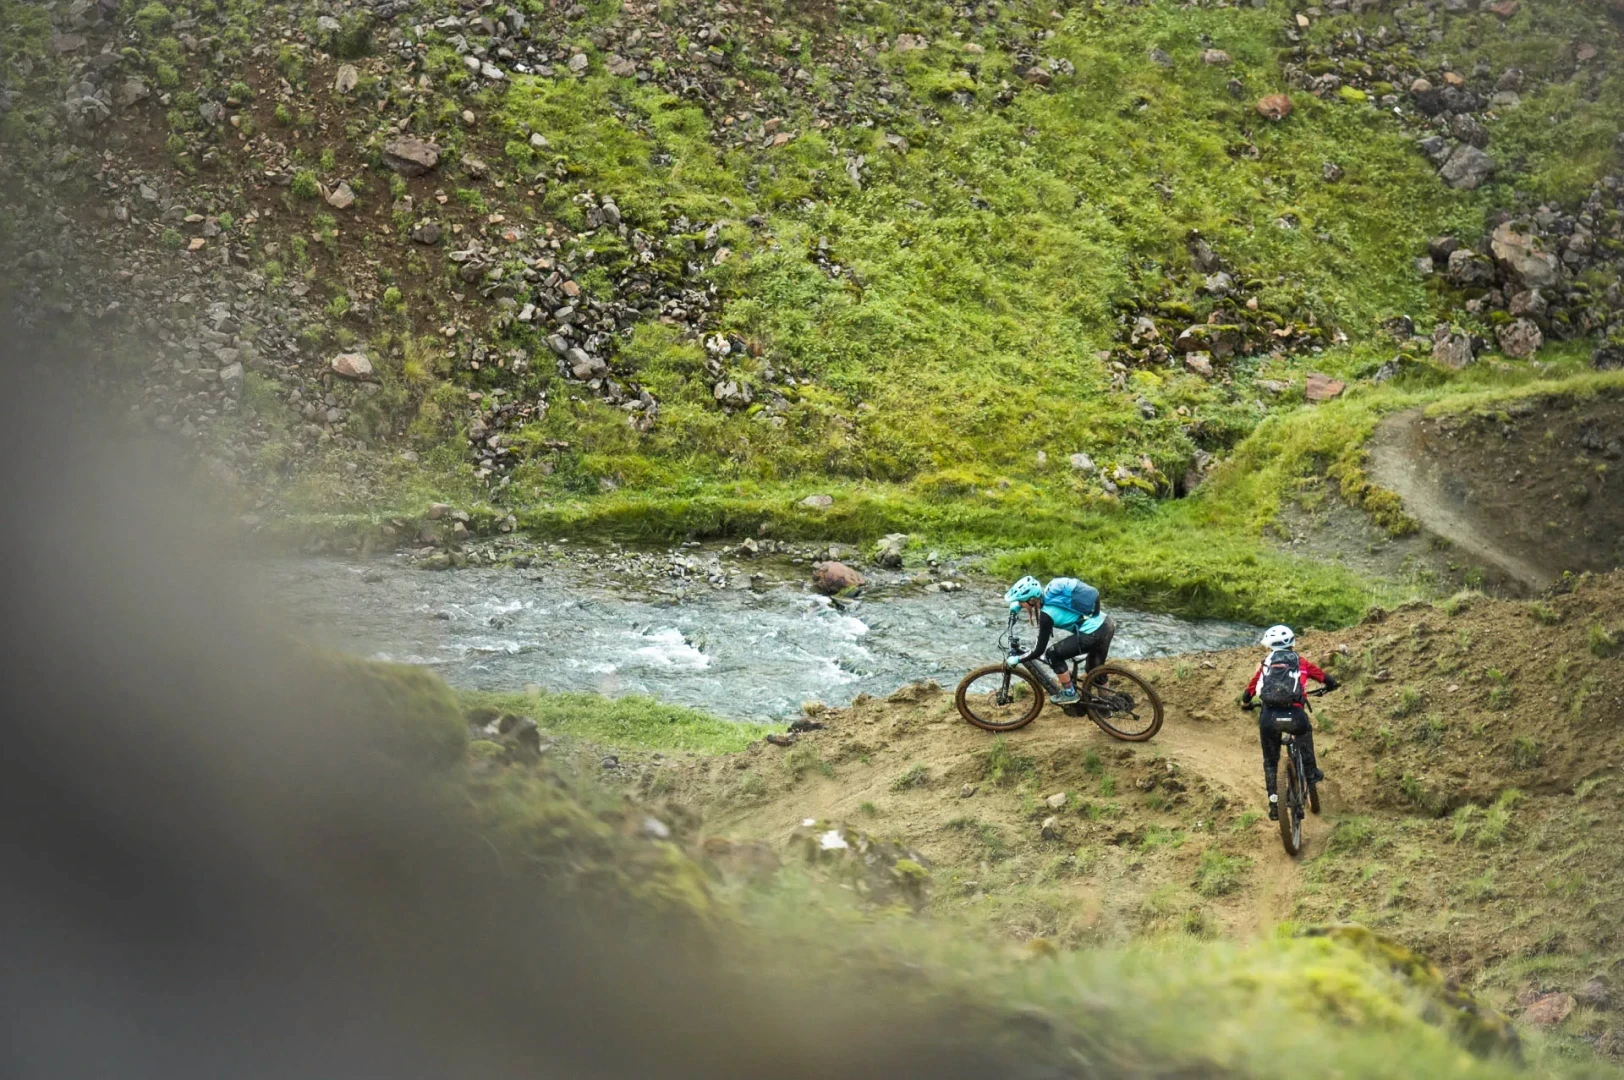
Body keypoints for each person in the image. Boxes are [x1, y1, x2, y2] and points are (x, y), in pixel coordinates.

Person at [1241, 625, 1338, 820]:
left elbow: (1249, 691)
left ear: (1269, 646)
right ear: (1292, 643)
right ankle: (1310, 773)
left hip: (1269, 719)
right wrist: (1331, 685)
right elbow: (1325, 678)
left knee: (1270, 761)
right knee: (1304, 733)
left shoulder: (1265, 664)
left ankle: (1275, 803)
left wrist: (1245, 703)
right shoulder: (1300, 662)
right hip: (1295, 716)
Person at [1003, 575, 1115, 706]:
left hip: (1093, 633)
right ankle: (1107, 705)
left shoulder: (1046, 615)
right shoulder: (1050, 596)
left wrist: (1017, 659)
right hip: (1106, 624)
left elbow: (1039, 651)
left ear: (1032, 600)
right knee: (1094, 669)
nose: (1020, 604)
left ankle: (1070, 694)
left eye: (1021, 601)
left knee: (1052, 654)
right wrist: (1015, 609)